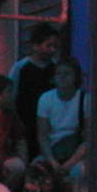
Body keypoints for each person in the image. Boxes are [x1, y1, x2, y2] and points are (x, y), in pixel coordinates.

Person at [9, 23, 64, 162]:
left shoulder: (56, 68)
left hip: (50, 125)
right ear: (35, 45)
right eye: (48, 45)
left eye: (55, 46)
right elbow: (11, 97)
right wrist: (17, 122)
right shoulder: (21, 68)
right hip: (26, 124)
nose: (52, 50)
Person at [36, 59, 88, 167]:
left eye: (67, 73)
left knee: (78, 171)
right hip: (52, 150)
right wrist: (51, 161)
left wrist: (71, 162)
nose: (62, 77)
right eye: (58, 73)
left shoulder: (85, 99)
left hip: (76, 152)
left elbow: (88, 138)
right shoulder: (46, 98)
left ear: (76, 77)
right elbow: (42, 135)